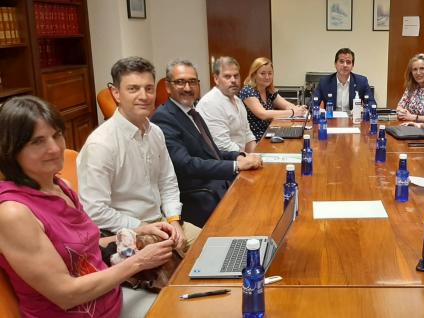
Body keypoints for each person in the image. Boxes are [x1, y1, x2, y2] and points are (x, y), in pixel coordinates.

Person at [0, 96, 176, 317]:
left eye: (57, 135)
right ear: (11, 150)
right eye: (38, 141)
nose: (54, 148)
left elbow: (83, 248)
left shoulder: (60, 185)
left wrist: (136, 231)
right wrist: (139, 261)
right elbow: (65, 294)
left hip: (110, 299)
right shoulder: (13, 213)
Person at [78, 56, 200, 251]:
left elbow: (167, 181)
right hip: (124, 232)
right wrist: (141, 227)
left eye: (149, 88)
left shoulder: (155, 132)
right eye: (133, 89)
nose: (144, 96)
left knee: (213, 247)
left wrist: (174, 220)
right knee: (186, 269)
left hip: (161, 222)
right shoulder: (101, 145)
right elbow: (94, 211)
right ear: (116, 93)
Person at [151, 59, 262, 227]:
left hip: (216, 183)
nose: (188, 88)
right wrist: (235, 166)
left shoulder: (191, 112)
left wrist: (239, 156)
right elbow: (186, 165)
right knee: (256, 214)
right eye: (180, 82)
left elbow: (211, 151)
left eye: (192, 82)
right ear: (168, 86)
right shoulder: (164, 117)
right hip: (200, 195)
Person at [238, 57, 308, 140]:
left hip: (270, 132)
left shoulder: (268, 90)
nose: (267, 77)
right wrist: (293, 112)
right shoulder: (248, 91)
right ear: (254, 74)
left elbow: (286, 105)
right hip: (255, 138)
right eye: (263, 73)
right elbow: (263, 114)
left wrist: (299, 110)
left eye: (270, 73)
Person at [197, 56, 257, 153]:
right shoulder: (210, 103)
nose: (233, 80)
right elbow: (223, 146)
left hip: (243, 158)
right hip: (227, 162)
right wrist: (249, 158)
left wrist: (257, 156)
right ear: (216, 79)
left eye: (236, 76)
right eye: (227, 76)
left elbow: (247, 135)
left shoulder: (237, 100)